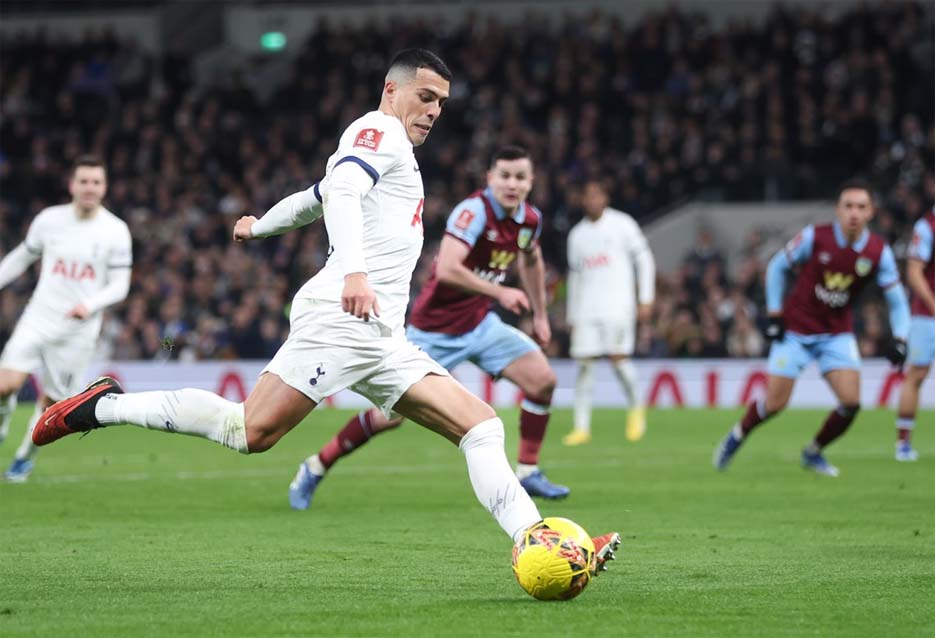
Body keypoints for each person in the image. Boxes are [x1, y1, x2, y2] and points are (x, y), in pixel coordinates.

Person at [32, 50, 619, 567]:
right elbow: (340, 193)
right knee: (249, 431)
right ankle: (99, 407)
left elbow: (316, 196)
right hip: (342, 319)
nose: (435, 110)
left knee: (481, 425)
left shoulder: (392, 153)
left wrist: (261, 225)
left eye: (441, 102)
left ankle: (536, 539)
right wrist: (356, 272)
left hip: (381, 334)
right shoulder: (377, 131)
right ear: (392, 90)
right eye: (425, 96)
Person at [288, 145, 569, 511]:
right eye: (504, 176)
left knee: (542, 381)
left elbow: (531, 258)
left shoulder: (529, 219)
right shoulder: (473, 213)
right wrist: (500, 291)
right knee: (387, 418)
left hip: (480, 324)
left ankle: (528, 471)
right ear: (490, 179)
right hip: (433, 331)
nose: (511, 184)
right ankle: (315, 465)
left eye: (520, 177)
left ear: (531, 182)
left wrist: (541, 315)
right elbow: (449, 269)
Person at [713, 180, 910, 476]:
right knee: (776, 403)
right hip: (796, 331)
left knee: (851, 402)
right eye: (848, 206)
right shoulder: (814, 237)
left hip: (836, 334)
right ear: (838, 210)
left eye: (861, 207)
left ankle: (813, 452)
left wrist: (900, 338)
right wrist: (775, 313)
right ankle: (737, 436)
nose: (854, 213)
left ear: (871, 212)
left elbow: (896, 300)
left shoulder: (877, 251)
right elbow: (777, 266)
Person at [0, 156, 132, 482]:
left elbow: (120, 285)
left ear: (104, 188)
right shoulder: (49, 220)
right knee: (5, 385)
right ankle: (2, 428)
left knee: (52, 404)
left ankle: (23, 459)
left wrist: (90, 304)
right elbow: (22, 256)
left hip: (78, 330)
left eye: (96, 182)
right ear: (72, 185)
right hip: (40, 316)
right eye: (83, 181)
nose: (89, 188)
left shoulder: (116, 231)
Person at [562, 180, 656, 446]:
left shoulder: (623, 224)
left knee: (619, 360)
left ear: (605, 197)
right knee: (584, 365)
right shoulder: (577, 235)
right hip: (586, 309)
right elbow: (575, 278)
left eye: (597, 194)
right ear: (582, 200)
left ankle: (637, 409)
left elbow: (645, 260)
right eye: (587, 195)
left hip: (618, 305)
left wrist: (646, 298)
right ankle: (581, 428)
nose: (592, 200)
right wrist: (571, 316)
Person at [894, 206, 935, 462]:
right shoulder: (927, 226)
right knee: (916, 375)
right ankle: (903, 444)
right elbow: (914, 272)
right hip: (927, 317)